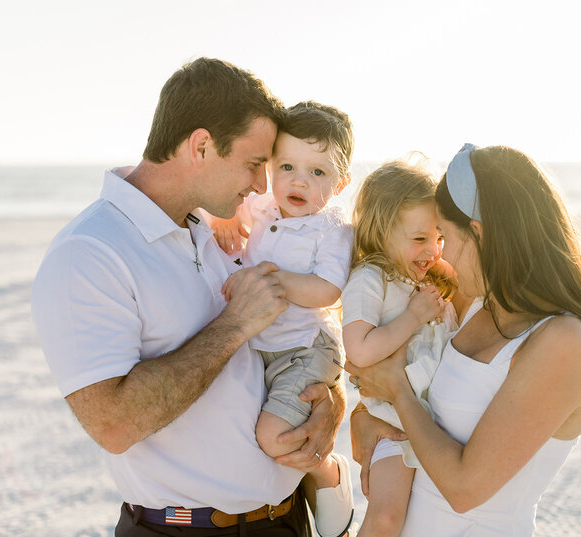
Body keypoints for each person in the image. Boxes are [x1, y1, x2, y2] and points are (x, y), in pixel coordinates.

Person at [31, 58, 351, 537]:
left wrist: (329, 401)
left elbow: (287, 341)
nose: (263, 186)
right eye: (252, 164)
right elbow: (113, 425)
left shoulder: (221, 230)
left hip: (286, 523)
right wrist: (235, 324)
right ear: (201, 146)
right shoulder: (90, 252)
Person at [347, 144, 581, 536]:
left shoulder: (566, 340)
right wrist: (364, 419)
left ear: (478, 235)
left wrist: (398, 395)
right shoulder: (474, 303)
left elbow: (464, 488)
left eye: (444, 237)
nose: (442, 256)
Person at [208, 101, 356, 537]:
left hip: (306, 348)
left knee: (274, 437)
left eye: (318, 172)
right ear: (270, 167)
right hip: (262, 348)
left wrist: (267, 278)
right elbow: (230, 213)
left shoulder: (332, 229)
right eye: (287, 165)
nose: (298, 181)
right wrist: (226, 219)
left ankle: (326, 473)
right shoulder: (263, 206)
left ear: (341, 183)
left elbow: (327, 290)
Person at [339, 160, 461, 536]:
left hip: (432, 425)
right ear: (381, 230)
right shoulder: (369, 280)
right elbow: (358, 350)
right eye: (420, 239)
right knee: (386, 519)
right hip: (393, 425)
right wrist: (413, 317)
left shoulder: (421, 279)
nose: (433, 250)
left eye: (439, 238)